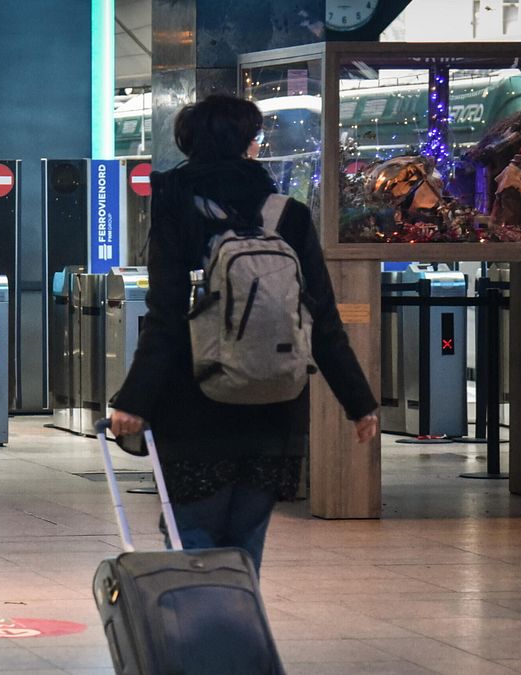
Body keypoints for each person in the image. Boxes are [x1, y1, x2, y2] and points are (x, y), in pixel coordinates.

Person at [109, 94, 379, 573]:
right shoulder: (286, 213)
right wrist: (359, 402)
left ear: (188, 145)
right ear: (249, 147)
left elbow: (166, 315)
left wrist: (134, 399)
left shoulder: (175, 204)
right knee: (245, 550)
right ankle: (236, 637)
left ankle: (200, 640)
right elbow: (322, 315)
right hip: (274, 406)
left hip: (194, 403)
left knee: (192, 543)